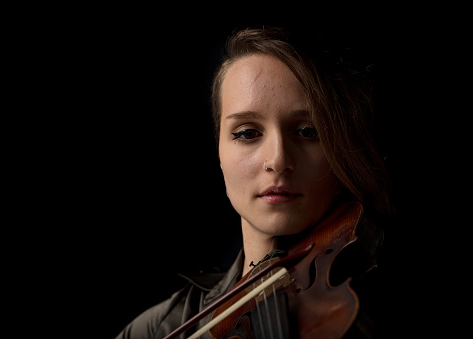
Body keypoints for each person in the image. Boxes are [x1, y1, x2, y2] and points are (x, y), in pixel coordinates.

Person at [115, 26, 394, 339]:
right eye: (247, 133)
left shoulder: (379, 297)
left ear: (342, 147)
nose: (277, 160)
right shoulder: (160, 328)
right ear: (219, 151)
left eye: (307, 131)